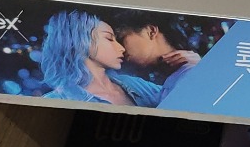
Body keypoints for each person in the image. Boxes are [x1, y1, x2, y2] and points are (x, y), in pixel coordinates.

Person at [35, 9, 164, 105]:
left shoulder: (132, 83)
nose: (121, 48)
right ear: (81, 41)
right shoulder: (54, 101)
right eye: (109, 38)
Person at [110, 10, 203, 105]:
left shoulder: (191, 74)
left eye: (121, 39)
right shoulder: (159, 87)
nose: (119, 47)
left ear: (151, 31)